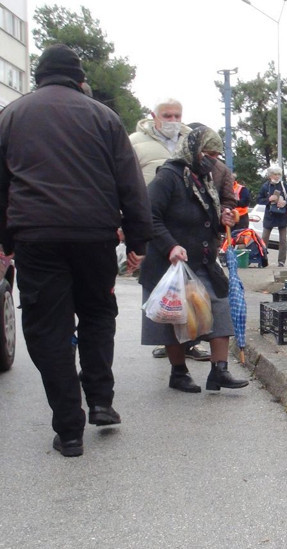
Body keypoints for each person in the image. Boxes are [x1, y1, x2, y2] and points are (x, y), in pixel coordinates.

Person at [0, 44, 153, 456]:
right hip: (94, 236)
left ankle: (69, 430)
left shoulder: (12, 115)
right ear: (79, 78)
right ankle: (101, 400)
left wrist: (6, 240)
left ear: (39, 76)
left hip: (36, 237)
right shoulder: (103, 117)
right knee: (98, 314)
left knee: (48, 329)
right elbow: (130, 182)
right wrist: (138, 240)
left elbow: (1, 184)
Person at [140, 126, 248, 394]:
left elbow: (206, 217)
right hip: (170, 263)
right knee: (174, 316)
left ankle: (219, 371)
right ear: (194, 150)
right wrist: (170, 246)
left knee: (220, 305)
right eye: (208, 154)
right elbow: (150, 216)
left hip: (202, 259)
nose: (213, 160)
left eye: (216, 155)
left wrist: (222, 219)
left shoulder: (204, 179)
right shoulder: (168, 177)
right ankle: (178, 373)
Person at [130, 102, 210, 362]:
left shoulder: (189, 139)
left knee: (191, 291)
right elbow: (126, 180)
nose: (173, 120)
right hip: (153, 219)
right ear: (154, 116)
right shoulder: (135, 142)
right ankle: (168, 345)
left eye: (177, 115)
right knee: (164, 289)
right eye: (167, 115)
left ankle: (191, 342)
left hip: (187, 222)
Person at [258, 165, 287, 267]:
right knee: (264, 239)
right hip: (269, 216)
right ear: (270, 175)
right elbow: (259, 200)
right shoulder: (265, 186)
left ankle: (281, 261)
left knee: (283, 240)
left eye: (279, 174)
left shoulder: (283, 185)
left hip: (282, 215)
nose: (277, 176)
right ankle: (263, 260)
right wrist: (268, 200)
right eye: (275, 174)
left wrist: (285, 202)